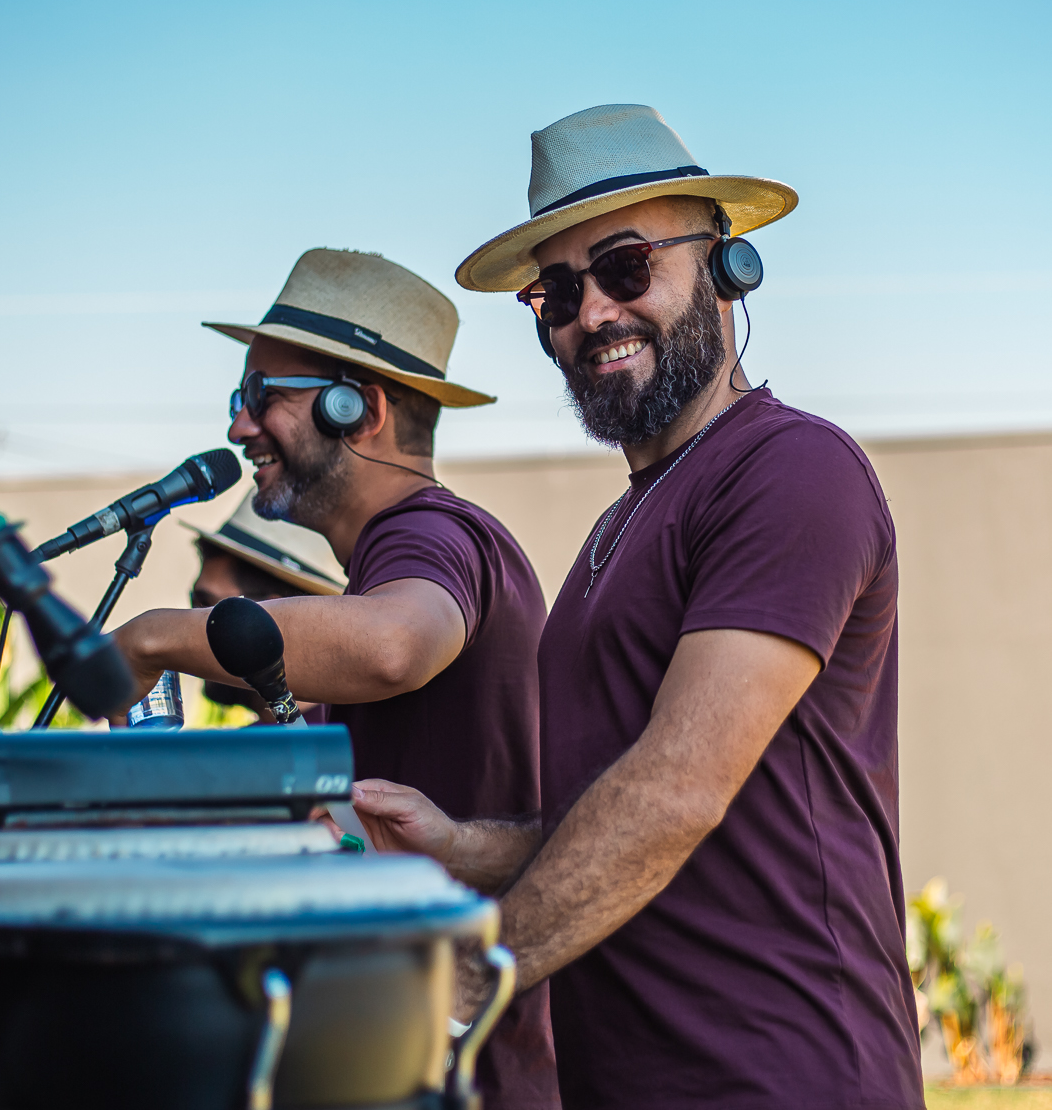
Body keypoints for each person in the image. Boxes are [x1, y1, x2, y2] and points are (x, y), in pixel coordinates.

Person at [354, 105, 925, 1109]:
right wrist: (458, 845)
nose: (591, 313)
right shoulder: (617, 529)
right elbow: (609, 819)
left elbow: (675, 792)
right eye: (556, 292)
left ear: (725, 265)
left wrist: (463, 988)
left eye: (625, 267)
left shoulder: (791, 468)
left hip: (787, 1078)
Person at [111, 248, 559, 1109]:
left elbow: (393, 645)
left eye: (261, 395)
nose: (240, 428)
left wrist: (154, 636)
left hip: (452, 1073)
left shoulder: (428, 532)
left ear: (362, 407)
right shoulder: (394, 558)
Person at [181, 484, 345, 717]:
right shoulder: (339, 729)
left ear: (274, 618)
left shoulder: (348, 736)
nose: (188, 622)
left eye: (206, 606)